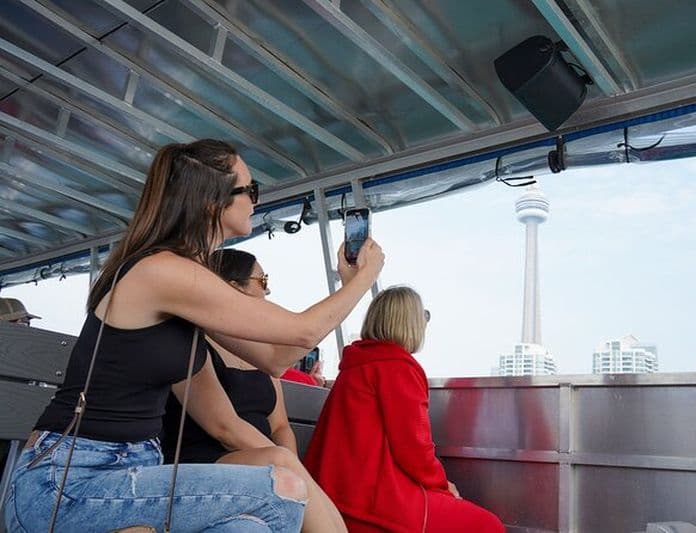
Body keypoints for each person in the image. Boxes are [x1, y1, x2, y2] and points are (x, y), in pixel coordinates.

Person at [3, 139, 384, 533]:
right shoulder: (161, 271)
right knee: (283, 488)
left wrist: (347, 283)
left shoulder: (184, 310)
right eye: (250, 190)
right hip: (67, 485)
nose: (256, 200)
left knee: (249, 527)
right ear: (211, 202)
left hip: (133, 479)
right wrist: (364, 280)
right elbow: (304, 333)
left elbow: (274, 358)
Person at [161, 248, 346, 532]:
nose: (268, 291)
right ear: (234, 289)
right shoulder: (193, 345)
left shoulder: (260, 355)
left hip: (264, 461)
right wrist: (284, 463)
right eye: (262, 280)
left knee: (285, 468)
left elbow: (281, 425)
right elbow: (224, 428)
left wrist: (290, 467)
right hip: (206, 460)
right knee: (282, 463)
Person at [304, 287, 504, 532]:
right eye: (424, 316)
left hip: (332, 497)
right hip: (372, 504)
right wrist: (443, 486)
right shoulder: (398, 368)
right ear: (409, 322)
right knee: (487, 525)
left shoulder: (354, 365)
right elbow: (413, 449)